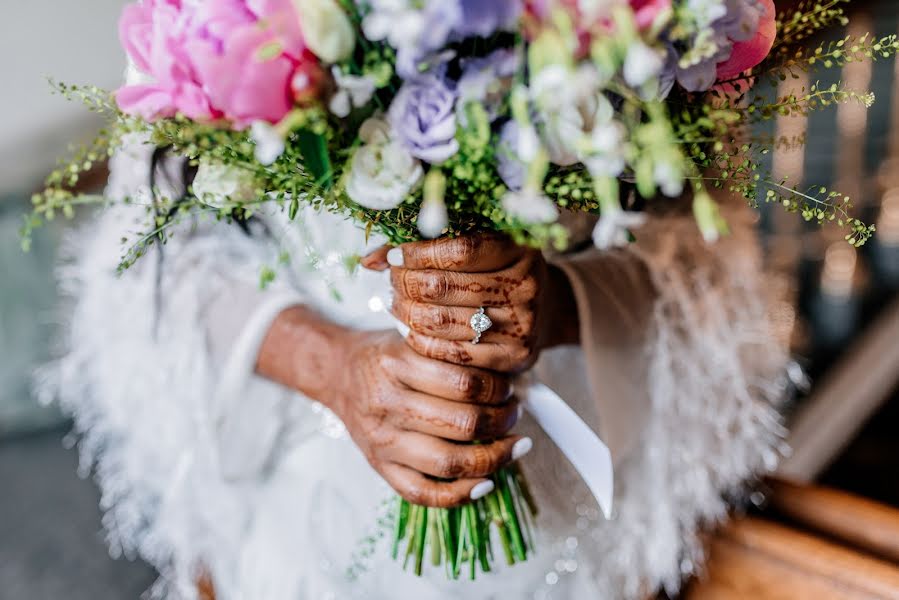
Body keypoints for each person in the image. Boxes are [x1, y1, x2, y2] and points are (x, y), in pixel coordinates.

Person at [44, 131, 789, 599]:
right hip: (309, 522)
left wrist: (553, 302)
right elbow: (148, 262)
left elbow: (707, 255)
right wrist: (330, 365)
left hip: (563, 514)